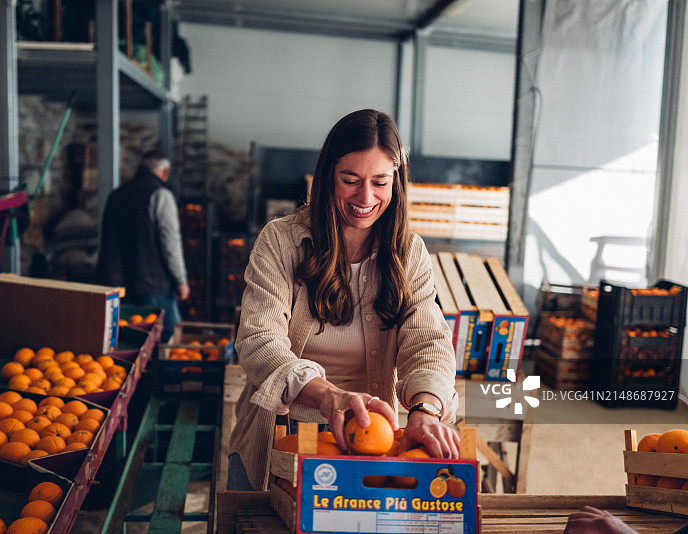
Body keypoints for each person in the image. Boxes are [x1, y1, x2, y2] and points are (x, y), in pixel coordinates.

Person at [227, 109, 459, 491]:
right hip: (278, 438)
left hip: (368, 443)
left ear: (396, 182)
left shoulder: (409, 254)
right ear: (328, 176)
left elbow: (427, 341)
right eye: (350, 180)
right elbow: (258, 340)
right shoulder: (281, 242)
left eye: (380, 182)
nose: (365, 197)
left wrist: (425, 408)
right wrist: (327, 396)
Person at [95, 148, 189, 342]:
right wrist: (181, 281)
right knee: (168, 339)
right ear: (165, 172)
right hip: (153, 285)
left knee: (125, 341)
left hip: (116, 284)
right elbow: (170, 242)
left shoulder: (116, 194)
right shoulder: (161, 195)